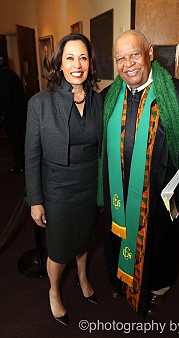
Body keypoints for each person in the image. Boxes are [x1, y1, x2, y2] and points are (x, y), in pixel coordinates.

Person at [97, 30, 179, 317]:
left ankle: (158, 289)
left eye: (135, 55)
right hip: (119, 193)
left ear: (150, 53)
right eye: (120, 58)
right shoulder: (109, 98)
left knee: (160, 244)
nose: (128, 64)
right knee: (117, 237)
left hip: (157, 196)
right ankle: (121, 277)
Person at [25, 33, 102, 326]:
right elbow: (31, 156)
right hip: (56, 187)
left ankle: (83, 277)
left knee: (84, 239)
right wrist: (35, 200)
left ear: (90, 63)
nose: (77, 64)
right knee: (58, 248)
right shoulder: (39, 104)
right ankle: (54, 291)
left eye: (83, 57)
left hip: (88, 184)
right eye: (69, 58)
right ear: (59, 64)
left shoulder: (98, 100)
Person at [0, 56, 26, 173]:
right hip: (19, 114)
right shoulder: (12, 74)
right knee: (19, 141)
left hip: (12, 116)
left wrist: (3, 113)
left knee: (16, 142)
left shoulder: (3, 77)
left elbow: (6, 98)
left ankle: (20, 166)